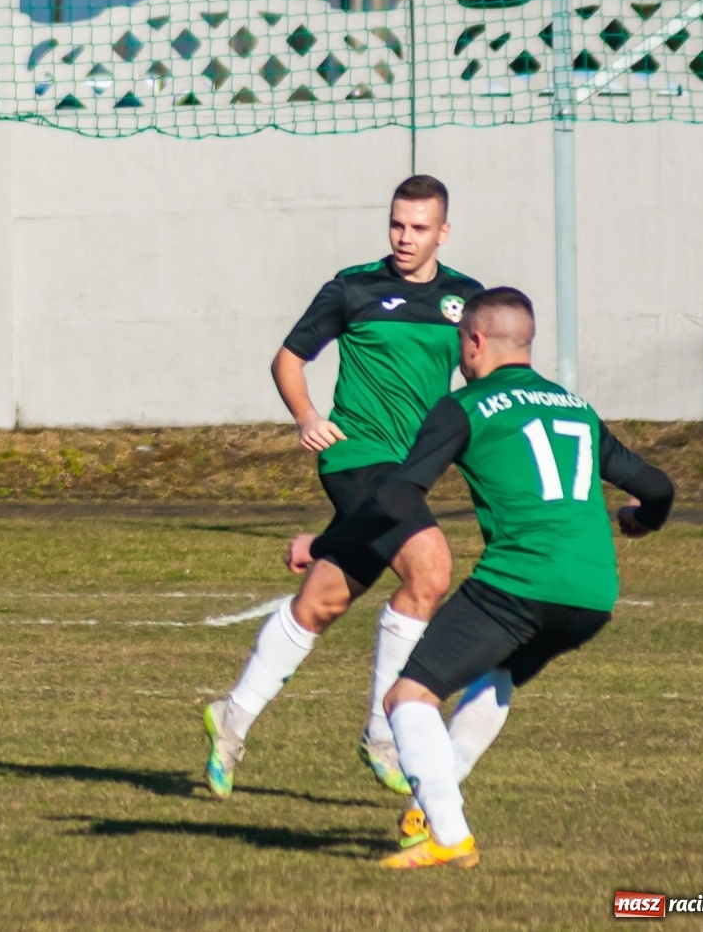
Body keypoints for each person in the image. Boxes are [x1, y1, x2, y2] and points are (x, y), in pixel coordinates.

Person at [289, 287, 674, 868]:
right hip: (593, 595)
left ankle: (449, 835)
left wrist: (322, 544)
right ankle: (427, 813)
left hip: (519, 582)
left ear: (472, 341)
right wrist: (641, 521)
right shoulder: (575, 408)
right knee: (497, 677)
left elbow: (395, 499)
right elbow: (658, 487)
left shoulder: (465, 406)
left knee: (407, 698)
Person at [204, 175, 484, 798]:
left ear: (443, 231)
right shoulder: (353, 287)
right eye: (397, 225)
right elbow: (288, 359)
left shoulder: (466, 298)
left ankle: (232, 717)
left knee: (322, 603)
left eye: (419, 227)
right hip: (356, 457)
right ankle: (385, 734)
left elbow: (481, 374)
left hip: (406, 473)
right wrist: (307, 416)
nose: (405, 237)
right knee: (431, 571)